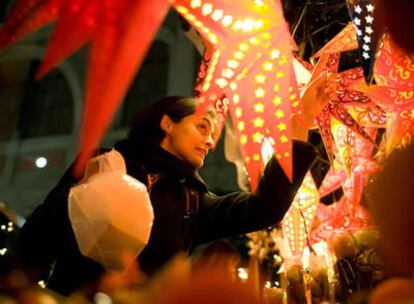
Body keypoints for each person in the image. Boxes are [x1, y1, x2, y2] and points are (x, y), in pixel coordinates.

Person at [16, 90, 323, 295]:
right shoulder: (102, 163)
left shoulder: (192, 200)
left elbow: (263, 208)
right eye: (202, 127)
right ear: (167, 123)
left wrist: (297, 131)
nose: (210, 142)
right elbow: (41, 233)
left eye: (213, 136)